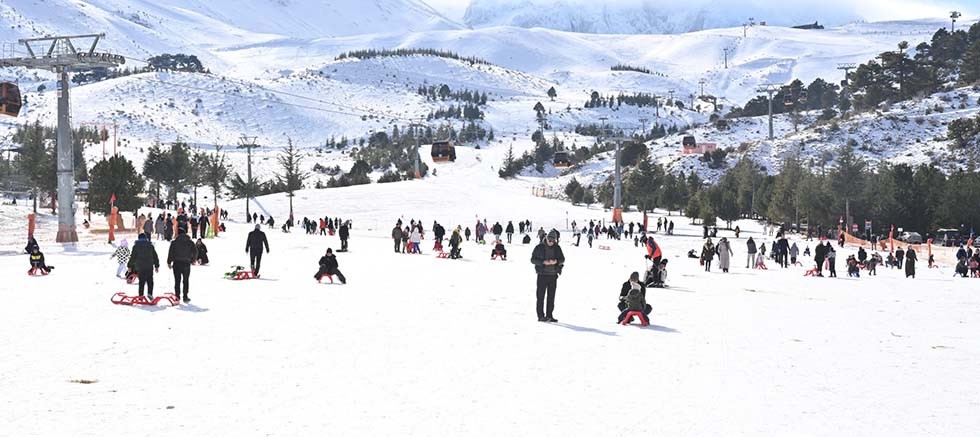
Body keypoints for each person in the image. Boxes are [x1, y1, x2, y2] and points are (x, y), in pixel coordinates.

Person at [531, 230, 564, 323]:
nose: (551, 242)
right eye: (550, 240)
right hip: (542, 275)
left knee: (551, 297)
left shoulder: (557, 248)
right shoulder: (539, 247)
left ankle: (549, 315)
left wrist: (557, 261)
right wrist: (543, 262)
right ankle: (541, 316)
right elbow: (533, 259)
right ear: (547, 238)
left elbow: (562, 259)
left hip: (553, 275)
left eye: (553, 241)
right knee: (540, 296)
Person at [167, 227, 197, 303]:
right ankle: (185, 296)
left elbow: (171, 253)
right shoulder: (190, 242)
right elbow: (195, 251)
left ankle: (177, 296)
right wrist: (193, 260)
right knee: (186, 280)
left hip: (176, 263)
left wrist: (169, 262)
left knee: (177, 281)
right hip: (186, 263)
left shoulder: (174, 242)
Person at [128, 233, 159, 298]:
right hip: (149, 266)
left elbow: (133, 257)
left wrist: (129, 266)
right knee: (150, 280)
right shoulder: (150, 246)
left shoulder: (136, 247)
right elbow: (155, 256)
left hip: (140, 266)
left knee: (141, 281)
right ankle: (150, 294)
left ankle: (141, 295)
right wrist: (156, 265)